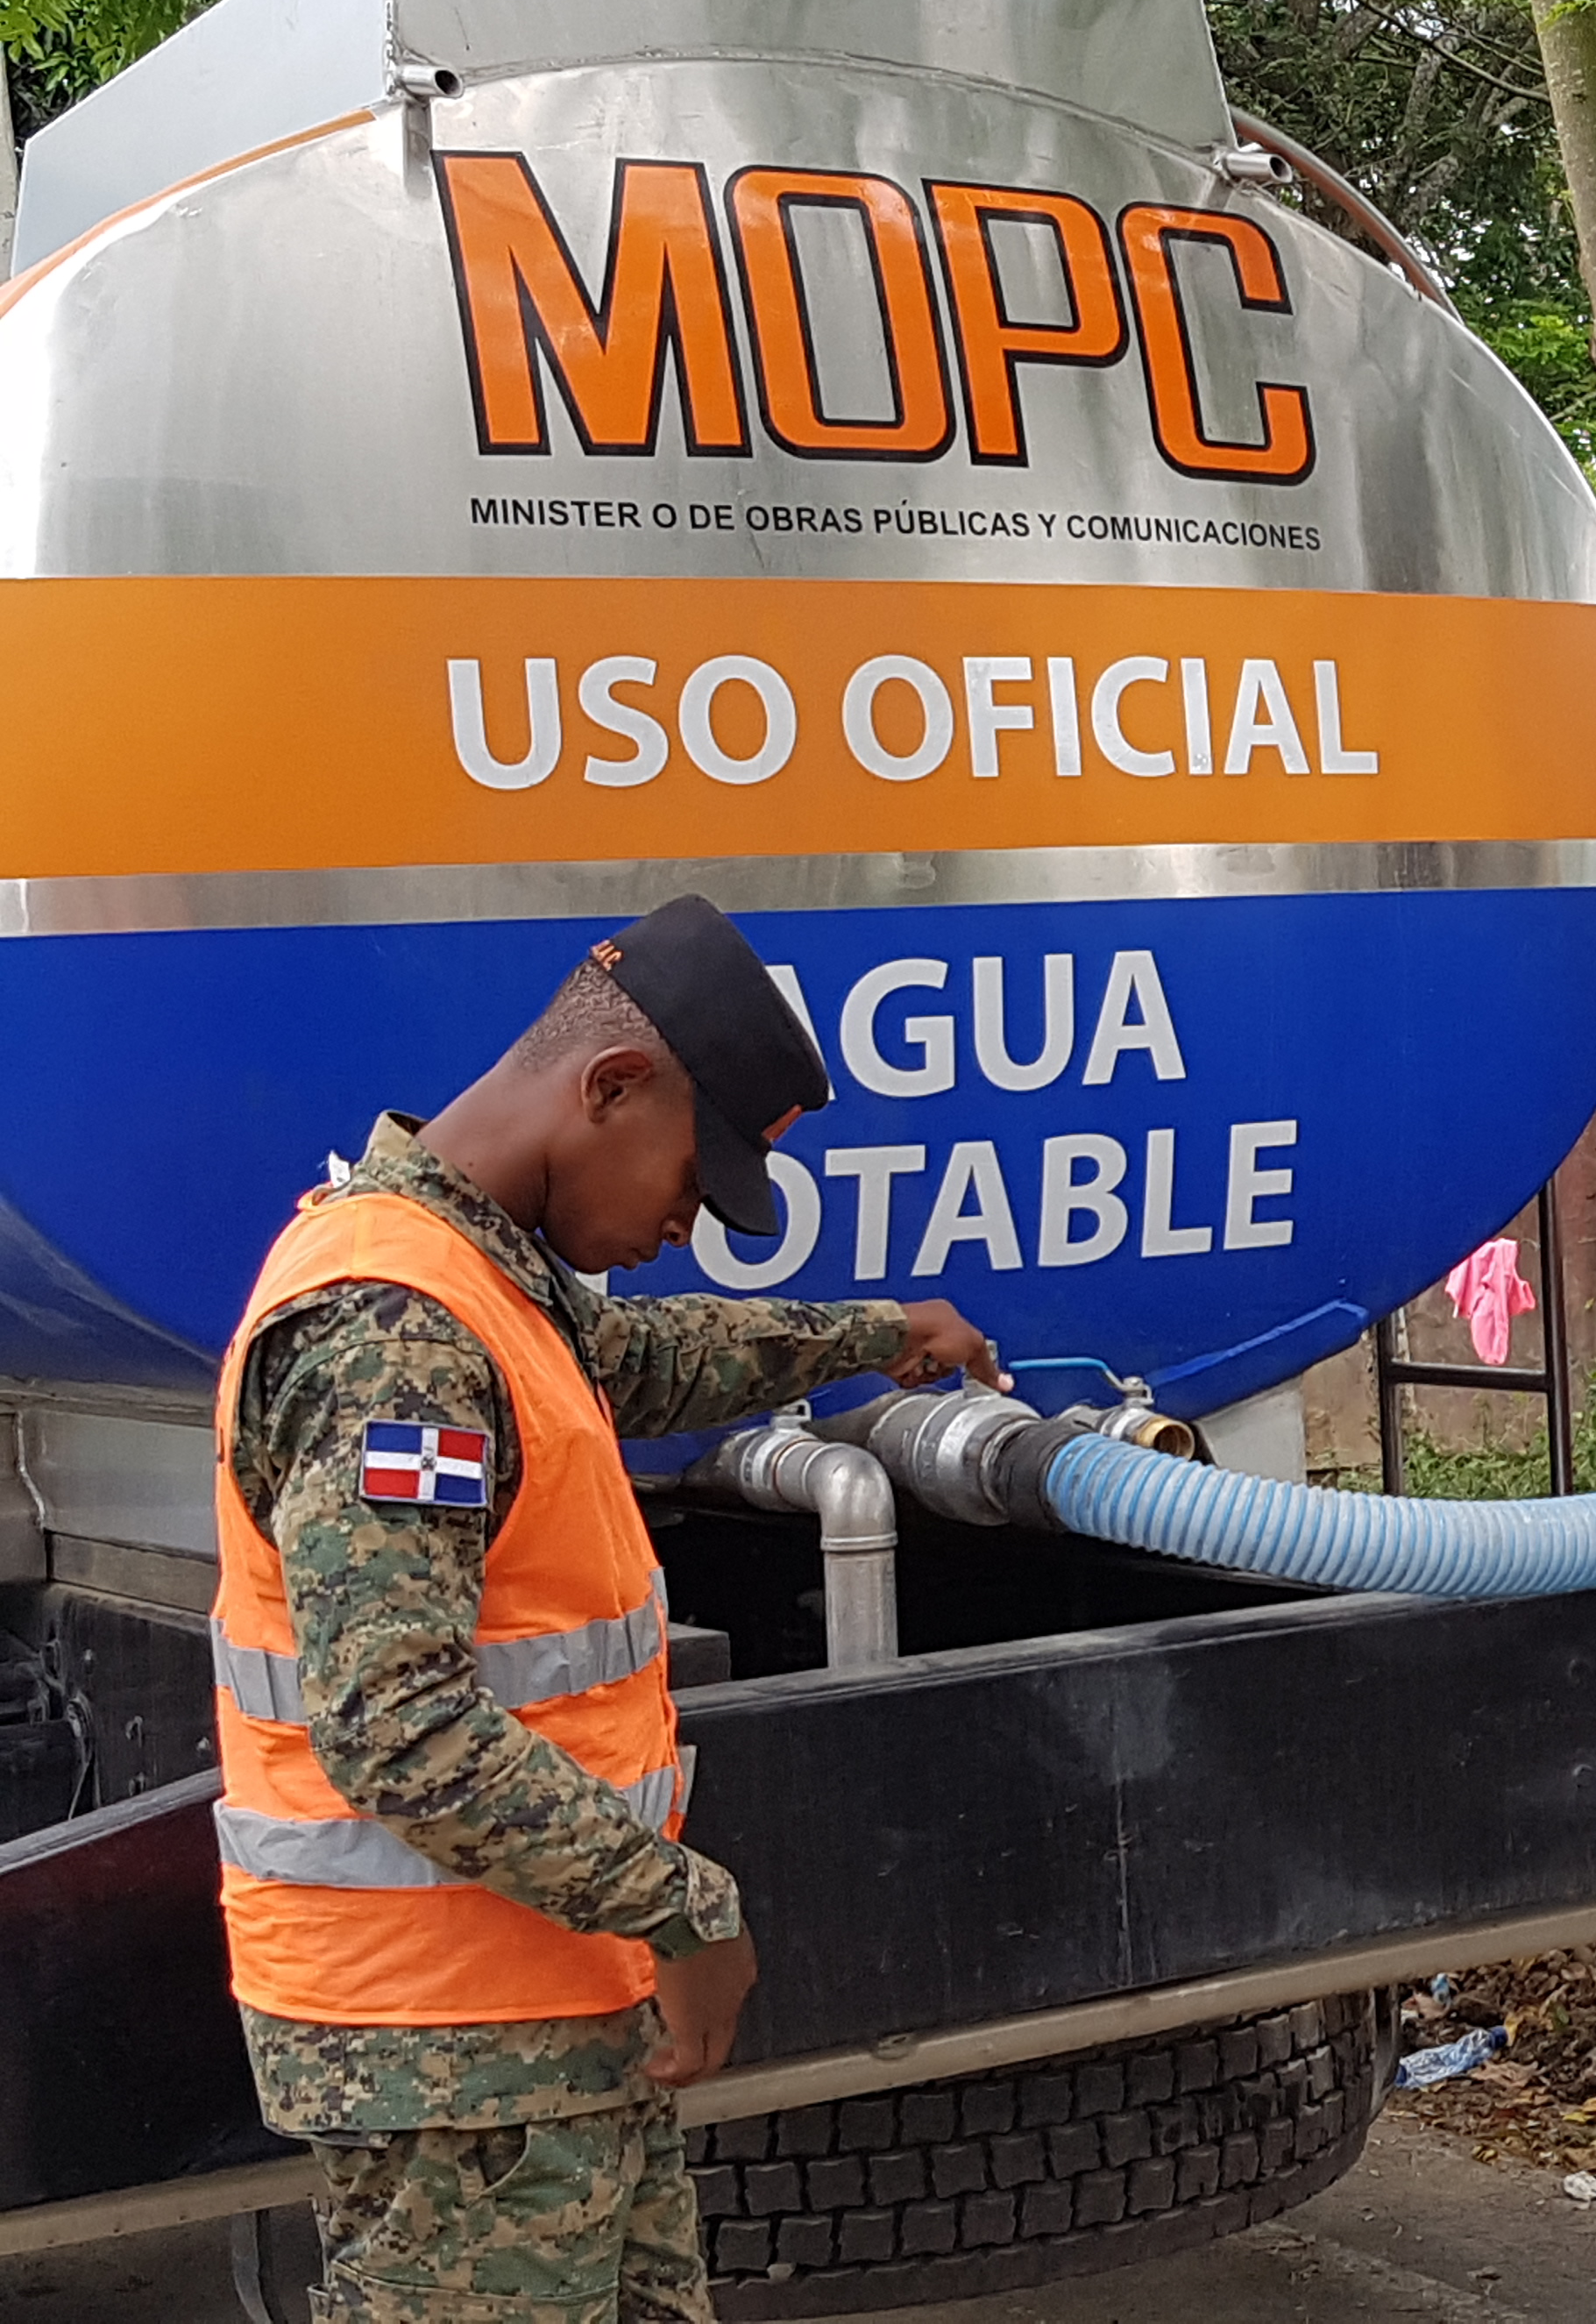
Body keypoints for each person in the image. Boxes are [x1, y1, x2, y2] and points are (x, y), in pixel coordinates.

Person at [212, 895, 1003, 2324]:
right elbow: (398, 1721)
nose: (683, 1222)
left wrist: (883, 1334)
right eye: (692, 1181)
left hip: (540, 2014)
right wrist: (687, 1909)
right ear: (613, 1084)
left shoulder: (478, 1272)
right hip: (452, 2050)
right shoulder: (391, 1330)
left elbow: (638, 1358)